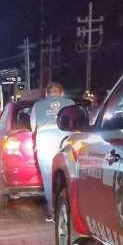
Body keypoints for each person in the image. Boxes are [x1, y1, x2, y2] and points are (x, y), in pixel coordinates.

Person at [30, 81, 74, 219]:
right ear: (62, 93)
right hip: (66, 143)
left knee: (48, 178)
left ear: (46, 94)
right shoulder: (70, 103)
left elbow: (33, 126)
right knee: (71, 176)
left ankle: (52, 211)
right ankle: (71, 210)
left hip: (45, 144)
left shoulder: (37, 105)